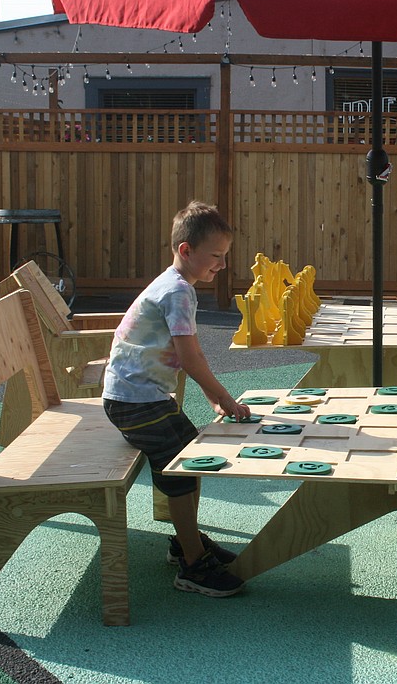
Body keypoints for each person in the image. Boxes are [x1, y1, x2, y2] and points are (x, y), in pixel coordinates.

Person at [103, 200, 251, 597]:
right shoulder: (178, 292)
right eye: (215, 257)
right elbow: (191, 357)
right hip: (134, 402)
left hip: (138, 397)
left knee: (189, 453)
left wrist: (215, 400)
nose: (221, 265)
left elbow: (187, 359)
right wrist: (224, 398)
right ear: (186, 251)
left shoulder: (173, 284)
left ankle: (188, 543)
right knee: (182, 463)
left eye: (224, 257)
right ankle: (192, 563)